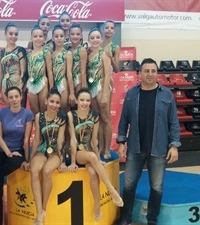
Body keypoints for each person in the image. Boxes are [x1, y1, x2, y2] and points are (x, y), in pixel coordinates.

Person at [116, 58, 181, 225]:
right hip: (135, 148)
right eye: (146, 71)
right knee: (129, 185)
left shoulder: (167, 95)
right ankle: (125, 218)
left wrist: (174, 145)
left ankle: (151, 220)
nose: (150, 74)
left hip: (159, 149)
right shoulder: (131, 94)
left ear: (157, 73)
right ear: (140, 74)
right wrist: (122, 143)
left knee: (157, 187)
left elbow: (173, 122)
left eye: (153, 71)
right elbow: (124, 120)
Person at [67, 88, 123, 221]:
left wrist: (98, 159)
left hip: (89, 151)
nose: (84, 103)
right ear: (77, 101)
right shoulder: (71, 115)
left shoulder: (94, 115)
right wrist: (74, 162)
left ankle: (97, 206)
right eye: (82, 100)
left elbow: (94, 139)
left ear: (90, 101)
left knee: (93, 172)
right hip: (77, 152)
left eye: (87, 100)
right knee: (91, 157)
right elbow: (73, 140)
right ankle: (112, 190)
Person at [0, 86, 34, 225]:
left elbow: (26, 140)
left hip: (18, 151)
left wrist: (27, 159)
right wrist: (8, 152)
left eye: (16, 96)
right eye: (11, 97)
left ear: (21, 97)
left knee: (16, 162)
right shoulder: (1, 113)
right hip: (0, 151)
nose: (14, 100)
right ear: (7, 99)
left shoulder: (27, 114)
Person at [30, 88, 67, 225]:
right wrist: (30, 159)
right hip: (43, 148)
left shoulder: (62, 117)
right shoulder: (39, 116)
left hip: (56, 151)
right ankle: (39, 211)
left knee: (46, 171)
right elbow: (37, 139)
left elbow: (60, 140)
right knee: (34, 170)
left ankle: (42, 210)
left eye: (57, 103)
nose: (54, 105)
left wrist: (62, 161)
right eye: (52, 101)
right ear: (46, 101)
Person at [87, 28, 113, 159]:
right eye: (92, 38)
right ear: (88, 40)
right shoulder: (88, 55)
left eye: (97, 37)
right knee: (97, 119)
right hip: (92, 88)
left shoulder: (104, 55)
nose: (95, 40)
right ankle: (101, 147)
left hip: (102, 87)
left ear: (101, 39)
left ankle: (107, 149)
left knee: (106, 119)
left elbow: (108, 74)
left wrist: (104, 95)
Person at [0, 22, 27, 106]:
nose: (13, 36)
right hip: (6, 86)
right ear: (5, 34)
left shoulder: (20, 50)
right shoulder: (1, 53)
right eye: (11, 34)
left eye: (16, 34)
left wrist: (20, 88)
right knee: (9, 113)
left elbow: (23, 72)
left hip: (18, 85)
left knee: (20, 113)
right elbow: (0, 73)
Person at [27, 26, 54, 114]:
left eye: (40, 36)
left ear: (43, 38)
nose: (38, 39)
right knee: (34, 112)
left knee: (44, 111)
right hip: (31, 84)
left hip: (43, 83)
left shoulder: (46, 52)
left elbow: (50, 72)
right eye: (35, 36)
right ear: (31, 38)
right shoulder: (28, 55)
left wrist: (52, 88)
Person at [52, 24, 75, 112]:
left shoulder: (67, 53)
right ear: (53, 38)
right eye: (56, 36)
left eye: (61, 36)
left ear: (65, 37)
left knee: (64, 110)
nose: (59, 38)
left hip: (63, 84)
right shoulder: (52, 54)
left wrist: (72, 93)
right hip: (54, 84)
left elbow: (69, 74)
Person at [69, 23, 87, 94]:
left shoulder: (82, 50)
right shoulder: (69, 49)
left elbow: (83, 71)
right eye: (72, 34)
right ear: (69, 36)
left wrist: (84, 88)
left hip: (79, 80)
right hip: (71, 80)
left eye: (78, 34)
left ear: (81, 36)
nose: (75, 36)